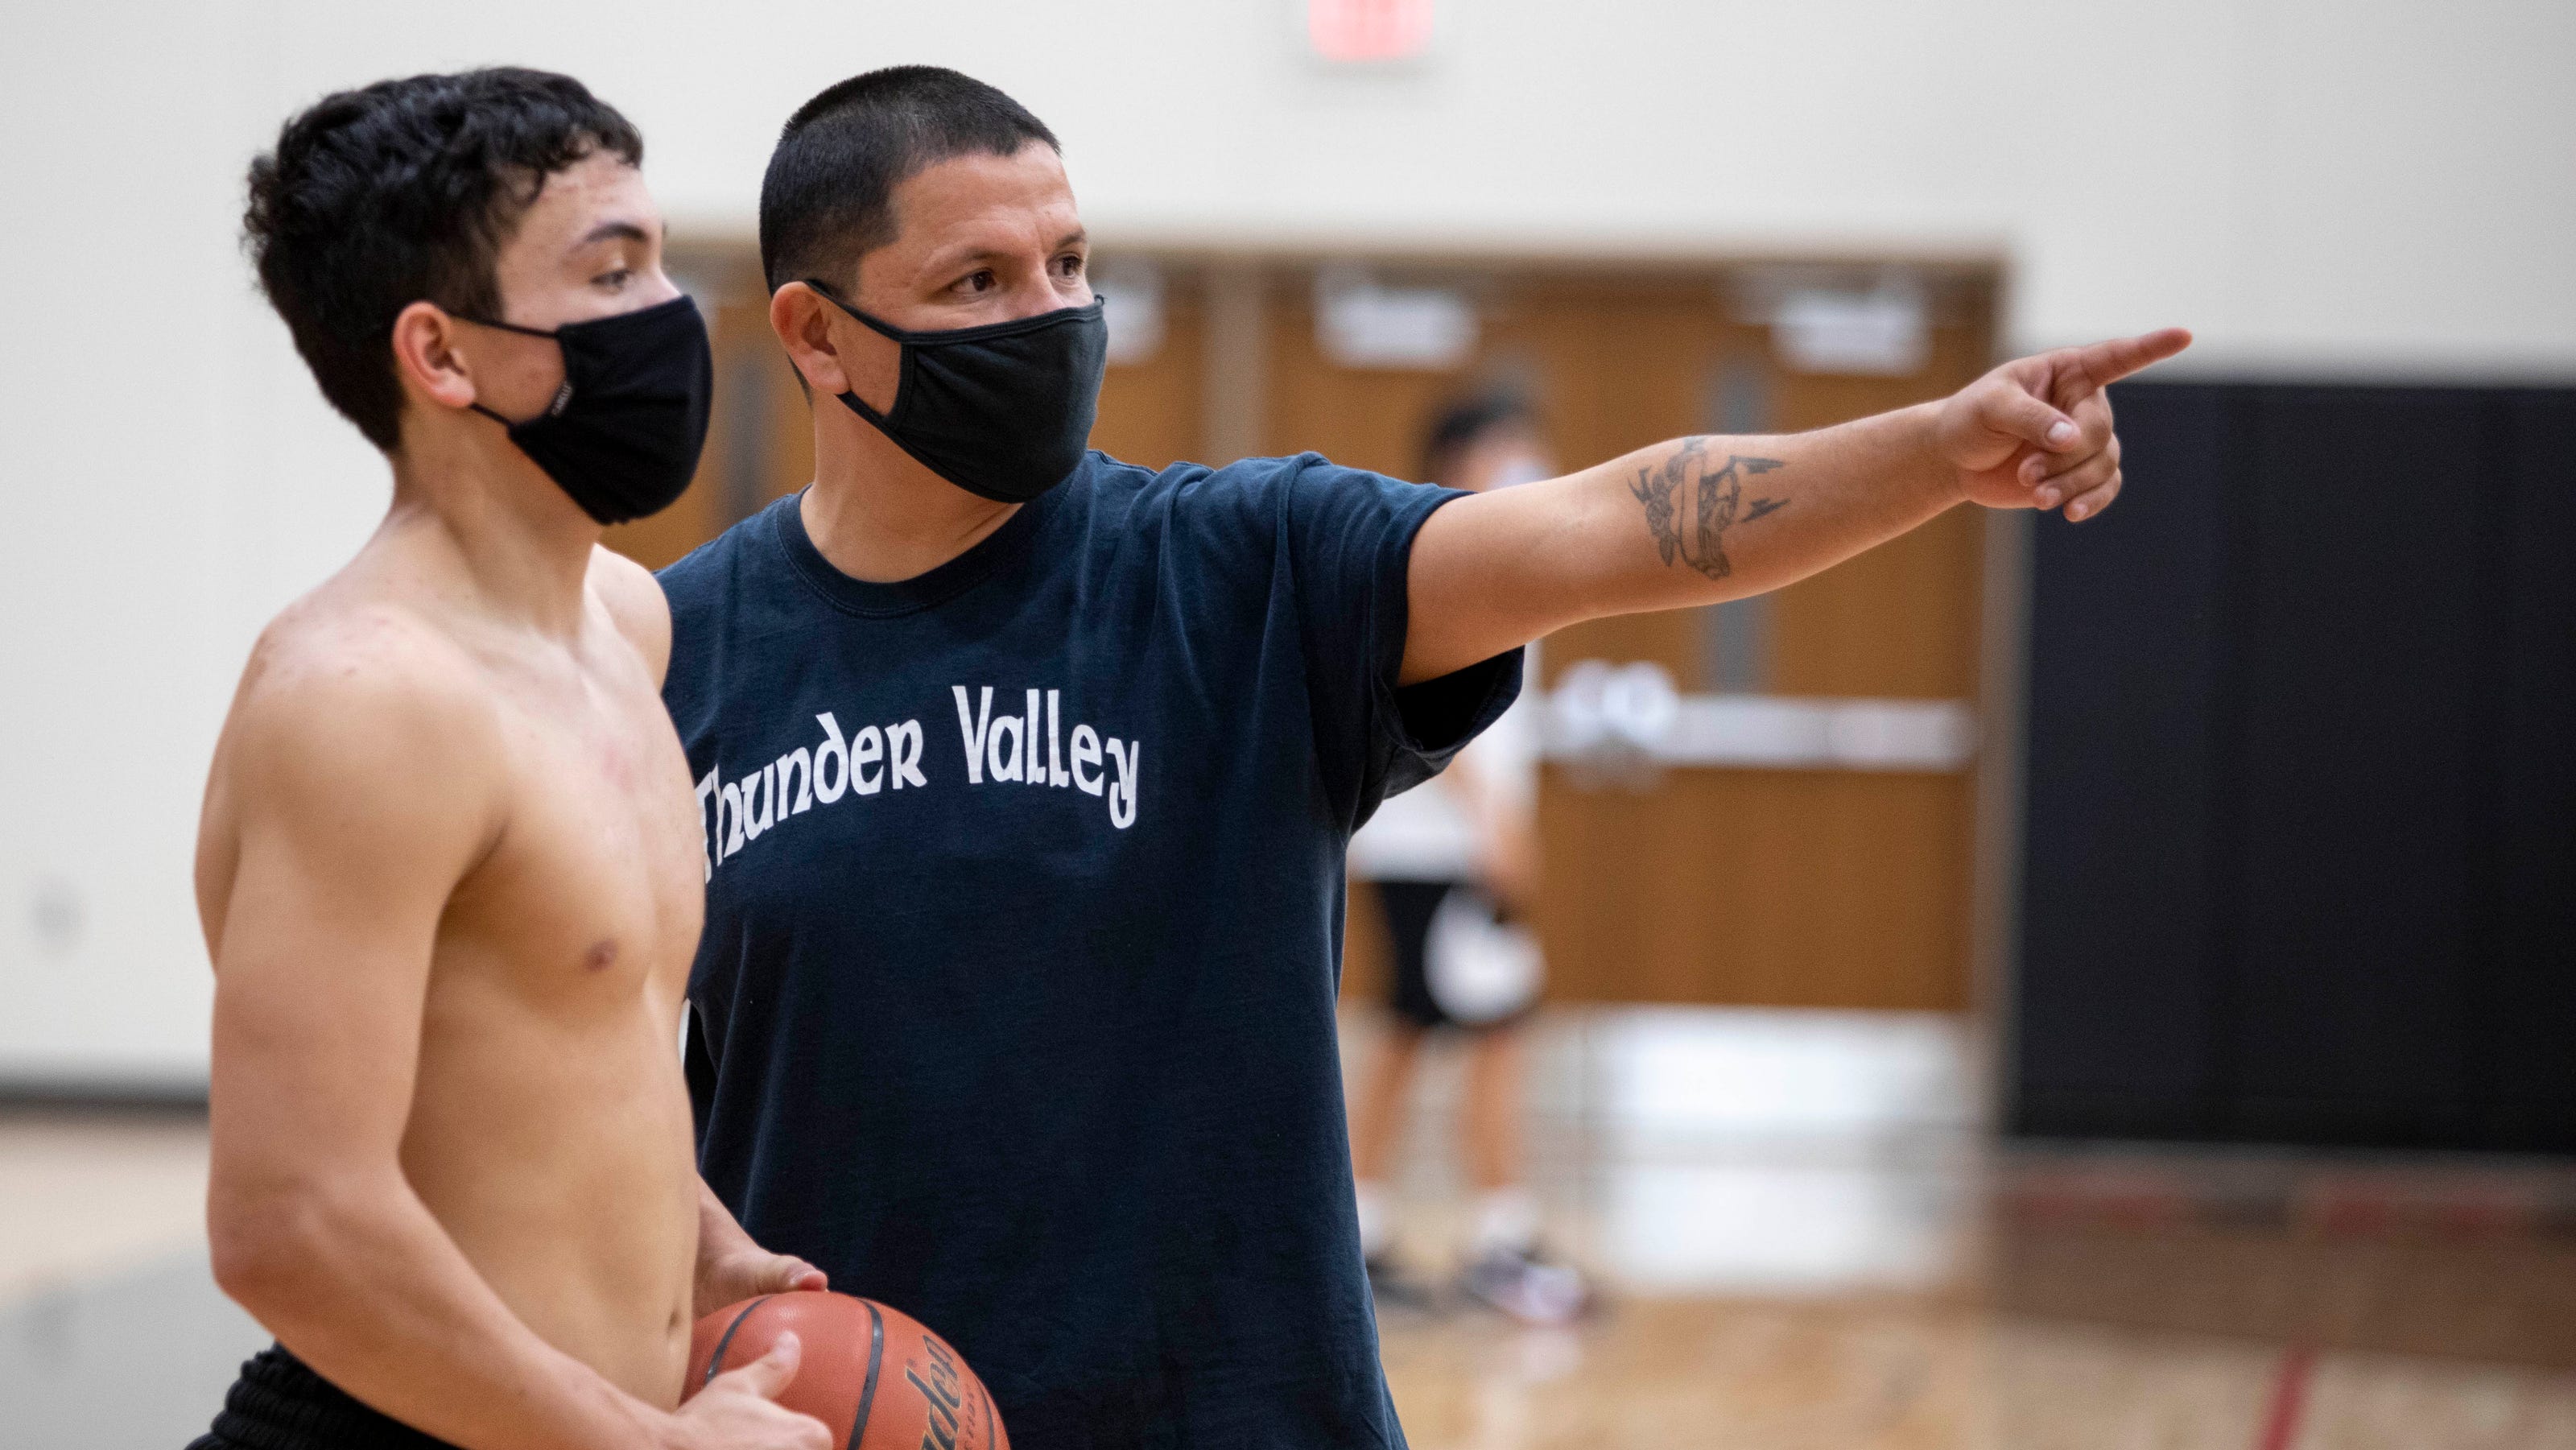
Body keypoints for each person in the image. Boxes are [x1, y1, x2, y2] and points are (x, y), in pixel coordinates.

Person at [664, 64, 2184, 1449]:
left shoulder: (1248, 566)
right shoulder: (675, 656)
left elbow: (1610, 523)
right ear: (814, 333)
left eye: (1070, 264)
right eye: (977, 280)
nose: (1052, 315)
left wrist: (1929, 450)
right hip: (847, 1417)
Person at [190, 68, 832, 1450]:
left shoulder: (624, 622)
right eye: (611, 275)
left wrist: (682, 1221)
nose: (669, 317)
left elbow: (562, 1031)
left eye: (660, 259)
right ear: (442, 355)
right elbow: (287, 1224)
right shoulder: (367, 702)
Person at [1344, 395, 1588, 1325]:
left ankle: (1377, 1234)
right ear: (1457, 457)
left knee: (1421, 1031)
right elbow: (1430, 708)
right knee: (1485, 1030)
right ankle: (1492, 1241)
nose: (1528, 461)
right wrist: (1493, 828)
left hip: (1429, 850)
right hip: (1435, 848)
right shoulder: (1448, 553)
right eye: (1508, 447)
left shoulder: (1499, 554)